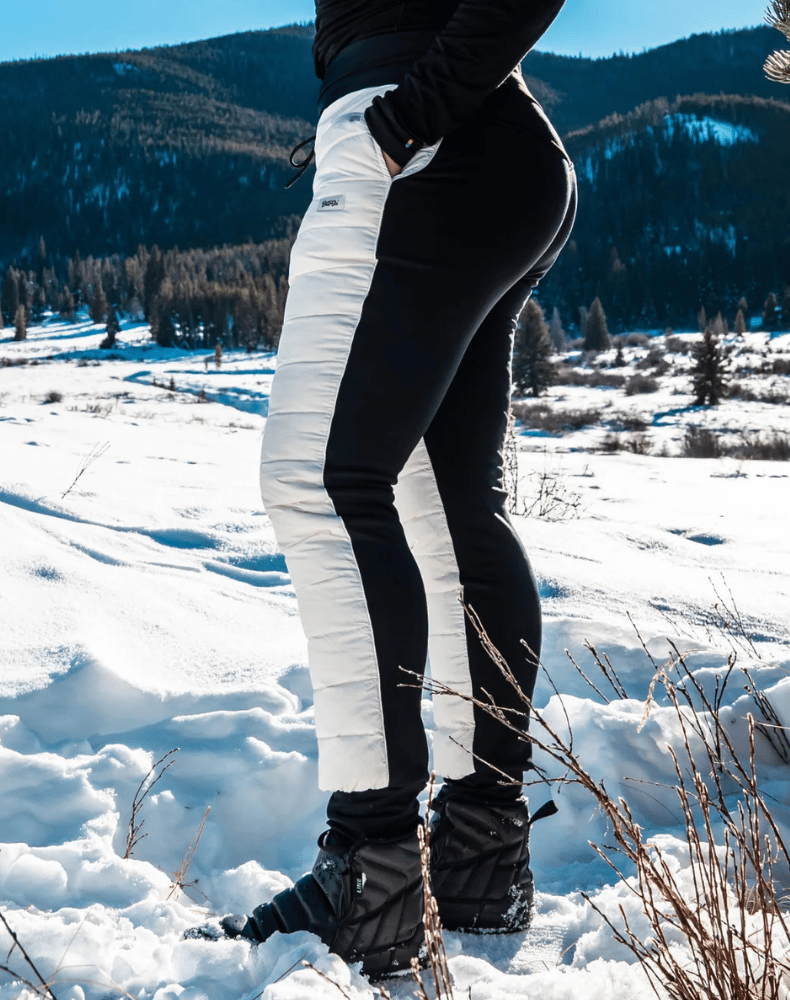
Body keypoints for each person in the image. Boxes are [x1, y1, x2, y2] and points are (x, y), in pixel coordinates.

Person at [222, 0, 577, 976]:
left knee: (320, 480)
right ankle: (475, 856)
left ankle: (371, 874)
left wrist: (412, 111)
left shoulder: (413, 117)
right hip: (478, 146)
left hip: (421, 137)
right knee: (446, 510)